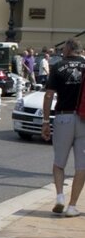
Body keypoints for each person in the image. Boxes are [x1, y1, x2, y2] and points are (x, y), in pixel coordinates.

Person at [41, 38, 85, 217]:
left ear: (67, 49)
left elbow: (49, 95)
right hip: (83, 118)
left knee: (59, 163)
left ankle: (60, 196)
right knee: (81, 166)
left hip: (63, 117)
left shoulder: (58, 66)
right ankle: (72, 206)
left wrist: (45, 121)